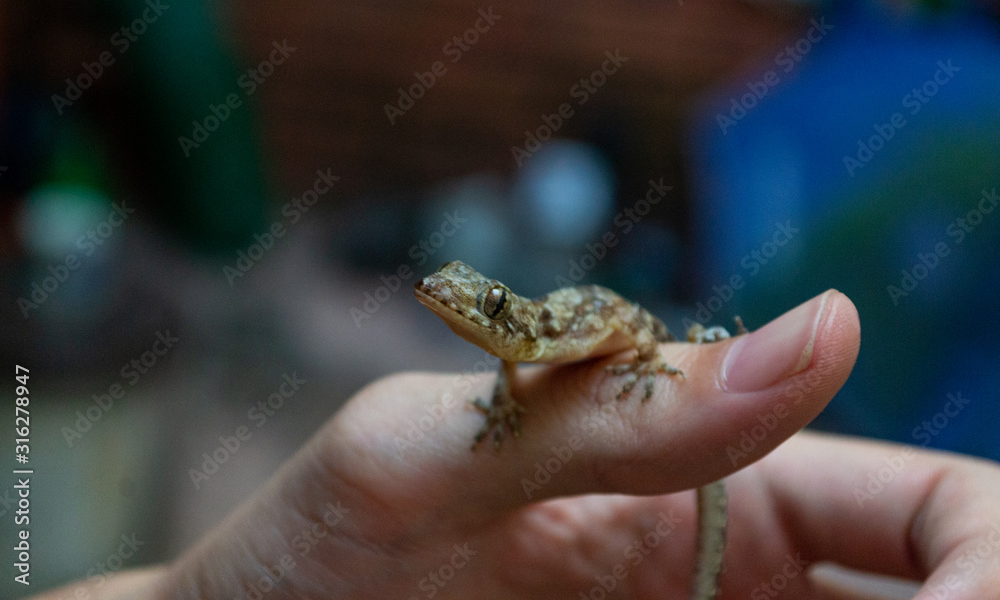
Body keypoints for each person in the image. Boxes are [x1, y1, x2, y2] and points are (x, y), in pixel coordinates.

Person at [31, 291, 1000, 598]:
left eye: (467, 301)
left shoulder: (554, 334)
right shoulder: (514, 355)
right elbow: (513, 373)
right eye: (445, 300)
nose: (447, 307)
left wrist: (664, 366)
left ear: (495, 311)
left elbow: (632, 326)